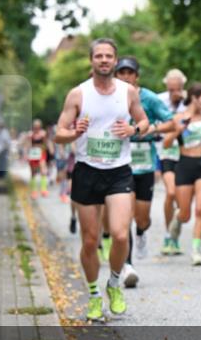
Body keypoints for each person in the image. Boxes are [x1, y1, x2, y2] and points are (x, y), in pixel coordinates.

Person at [53, 37, 150, 322]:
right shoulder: (78, 95)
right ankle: (94, 294)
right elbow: (59, 132)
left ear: (115, 60)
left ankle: (114, 283)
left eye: (109, 56)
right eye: (99, 56)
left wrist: (133, 130)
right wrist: (74, 132)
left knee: (120, 234)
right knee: (89, 241)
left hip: (119, 171)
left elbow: (143, 123)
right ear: (91, 60)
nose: (104, 60)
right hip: (86, 171)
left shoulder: (128, 92)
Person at [115, 56, 176, 285]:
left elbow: (171, 123)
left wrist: (151, 128)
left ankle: (141, 233)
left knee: (142, 218)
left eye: (129, 73)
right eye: (121, 73)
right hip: (121, 163)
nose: (125, 77)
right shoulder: (111, 98)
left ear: (136, 76)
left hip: (145, 162)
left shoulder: (148, 98)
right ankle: (128, 266)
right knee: (125, 216)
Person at [164, 83, 201, 266]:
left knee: (200, 208)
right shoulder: (179, 117)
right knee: (185, 214)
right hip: (185, 165)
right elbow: (167, 144)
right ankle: (177, 221)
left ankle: (196, 250)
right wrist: (178, 130)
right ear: (194, 98)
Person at [158, 69, 188, 255]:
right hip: (166, 151)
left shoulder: (189, 103)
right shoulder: (159, 100)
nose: (175, 92)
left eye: (178, 88)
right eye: (172, 89)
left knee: (182, 199)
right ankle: (168, 234)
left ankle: (175, 234)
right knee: (170, 192)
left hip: (186, 153)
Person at [25, 119, 51, 198]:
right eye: (35, 127)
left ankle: (43, 190)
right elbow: (27, 145)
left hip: (41, 154)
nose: (36, 128)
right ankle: (34, 191)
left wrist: (48, 149)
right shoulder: (30, 134)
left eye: (38, 127)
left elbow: (46, 143)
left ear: (40, 127)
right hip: (32, 154)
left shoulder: (43, 134)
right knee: (33, 173)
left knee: (43, 170)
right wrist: (27, 153)